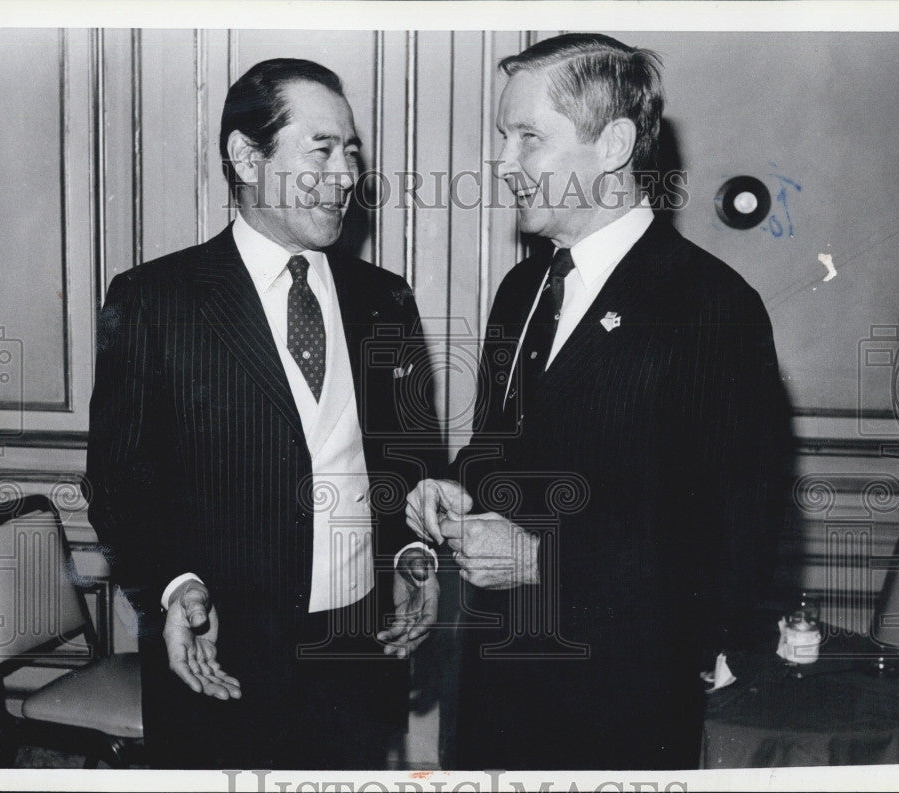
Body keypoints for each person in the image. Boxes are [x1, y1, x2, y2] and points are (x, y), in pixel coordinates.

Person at [407, 34, 791, 770]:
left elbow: (732, 557)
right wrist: (455, 487)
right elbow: (504, 449)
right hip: (492, 693)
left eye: (528, 136)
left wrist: (543, 562)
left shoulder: (711, 307)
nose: (502, 160)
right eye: (502, 135)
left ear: (612, 143)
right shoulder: (522, 291)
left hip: (617, 711)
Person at [87, 58, 442, 769]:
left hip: (357, 648)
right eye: (322, 150)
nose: (346, 175)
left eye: (351, 151)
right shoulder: (156, 302)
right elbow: (119, 484)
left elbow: (413, 456)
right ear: (247, 157)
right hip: (222, 656)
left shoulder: (385, 298)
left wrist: (413, 553)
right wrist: (173, 587)